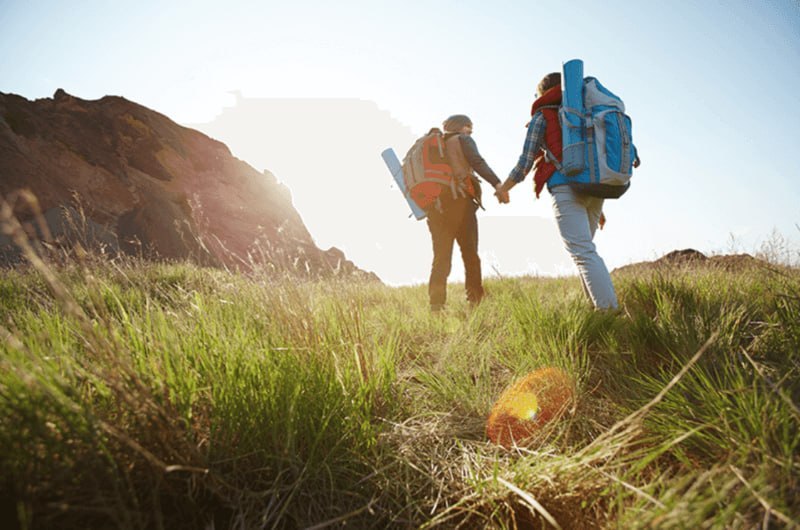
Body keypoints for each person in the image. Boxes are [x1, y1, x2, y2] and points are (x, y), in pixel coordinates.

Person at [497, 73, 640, 310]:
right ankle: (596, 309)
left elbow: (525, 162)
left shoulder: (543, 115)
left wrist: (504, 188)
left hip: (566, 188)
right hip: (595, 189)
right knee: (585, 253)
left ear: (543, 93)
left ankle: (608, 311)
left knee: (583, 252)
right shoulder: (587, 114)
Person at [426, 114, 508, 312]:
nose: (471, 131)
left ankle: (436, 305)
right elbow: (477, 162)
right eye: (469, 127)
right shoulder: (462, 140)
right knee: (470, 254)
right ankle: (475, 300)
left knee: (441, 258)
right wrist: (498, 184)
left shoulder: (433, 146)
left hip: (435, 208)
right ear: (460, 127)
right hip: (460, 204)